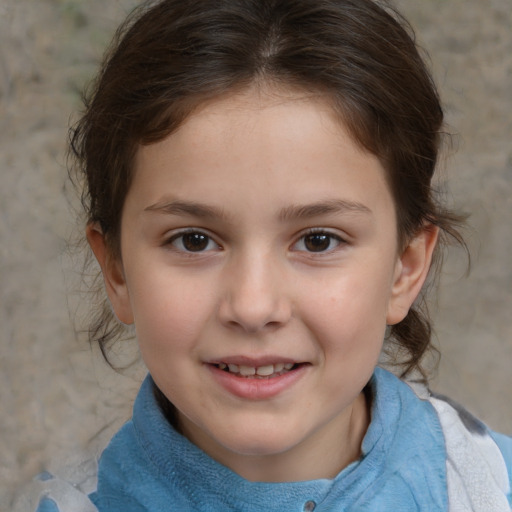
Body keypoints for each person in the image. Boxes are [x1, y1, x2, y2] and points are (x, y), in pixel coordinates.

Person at [34, 0, 512, 510]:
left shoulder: (490, 489)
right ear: (117, 271)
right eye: (194, 240)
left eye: (318, 240)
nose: (254, 307)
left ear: (406, 268)